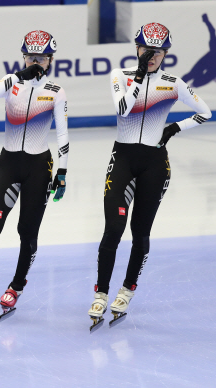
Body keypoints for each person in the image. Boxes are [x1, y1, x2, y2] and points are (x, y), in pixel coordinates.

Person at [88, 22, 212, 329]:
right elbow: (124, 108)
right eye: (146, 51)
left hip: (155, 164)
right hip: (124, 160)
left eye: (157, 52)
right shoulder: (121, 76)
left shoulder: (173, 83)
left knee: (140, 232)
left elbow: (206, 112)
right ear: (137, 49)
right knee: (114, 227)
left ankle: (127, 289)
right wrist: (140, 73)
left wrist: (173, 128)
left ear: (166, 53)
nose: (151, 56)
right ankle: (101, 292)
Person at [0, 30, 69, 323]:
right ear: (23, 57)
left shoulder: (56, 91)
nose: (36, 62)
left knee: (27, 231)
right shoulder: (10, 82)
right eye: (30, 57)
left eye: (41, 58)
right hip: (9, 164)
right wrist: (19, 76)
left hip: (39, 167)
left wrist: (62, 170)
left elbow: (62, 133)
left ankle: (17, 286)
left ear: (50, 60)